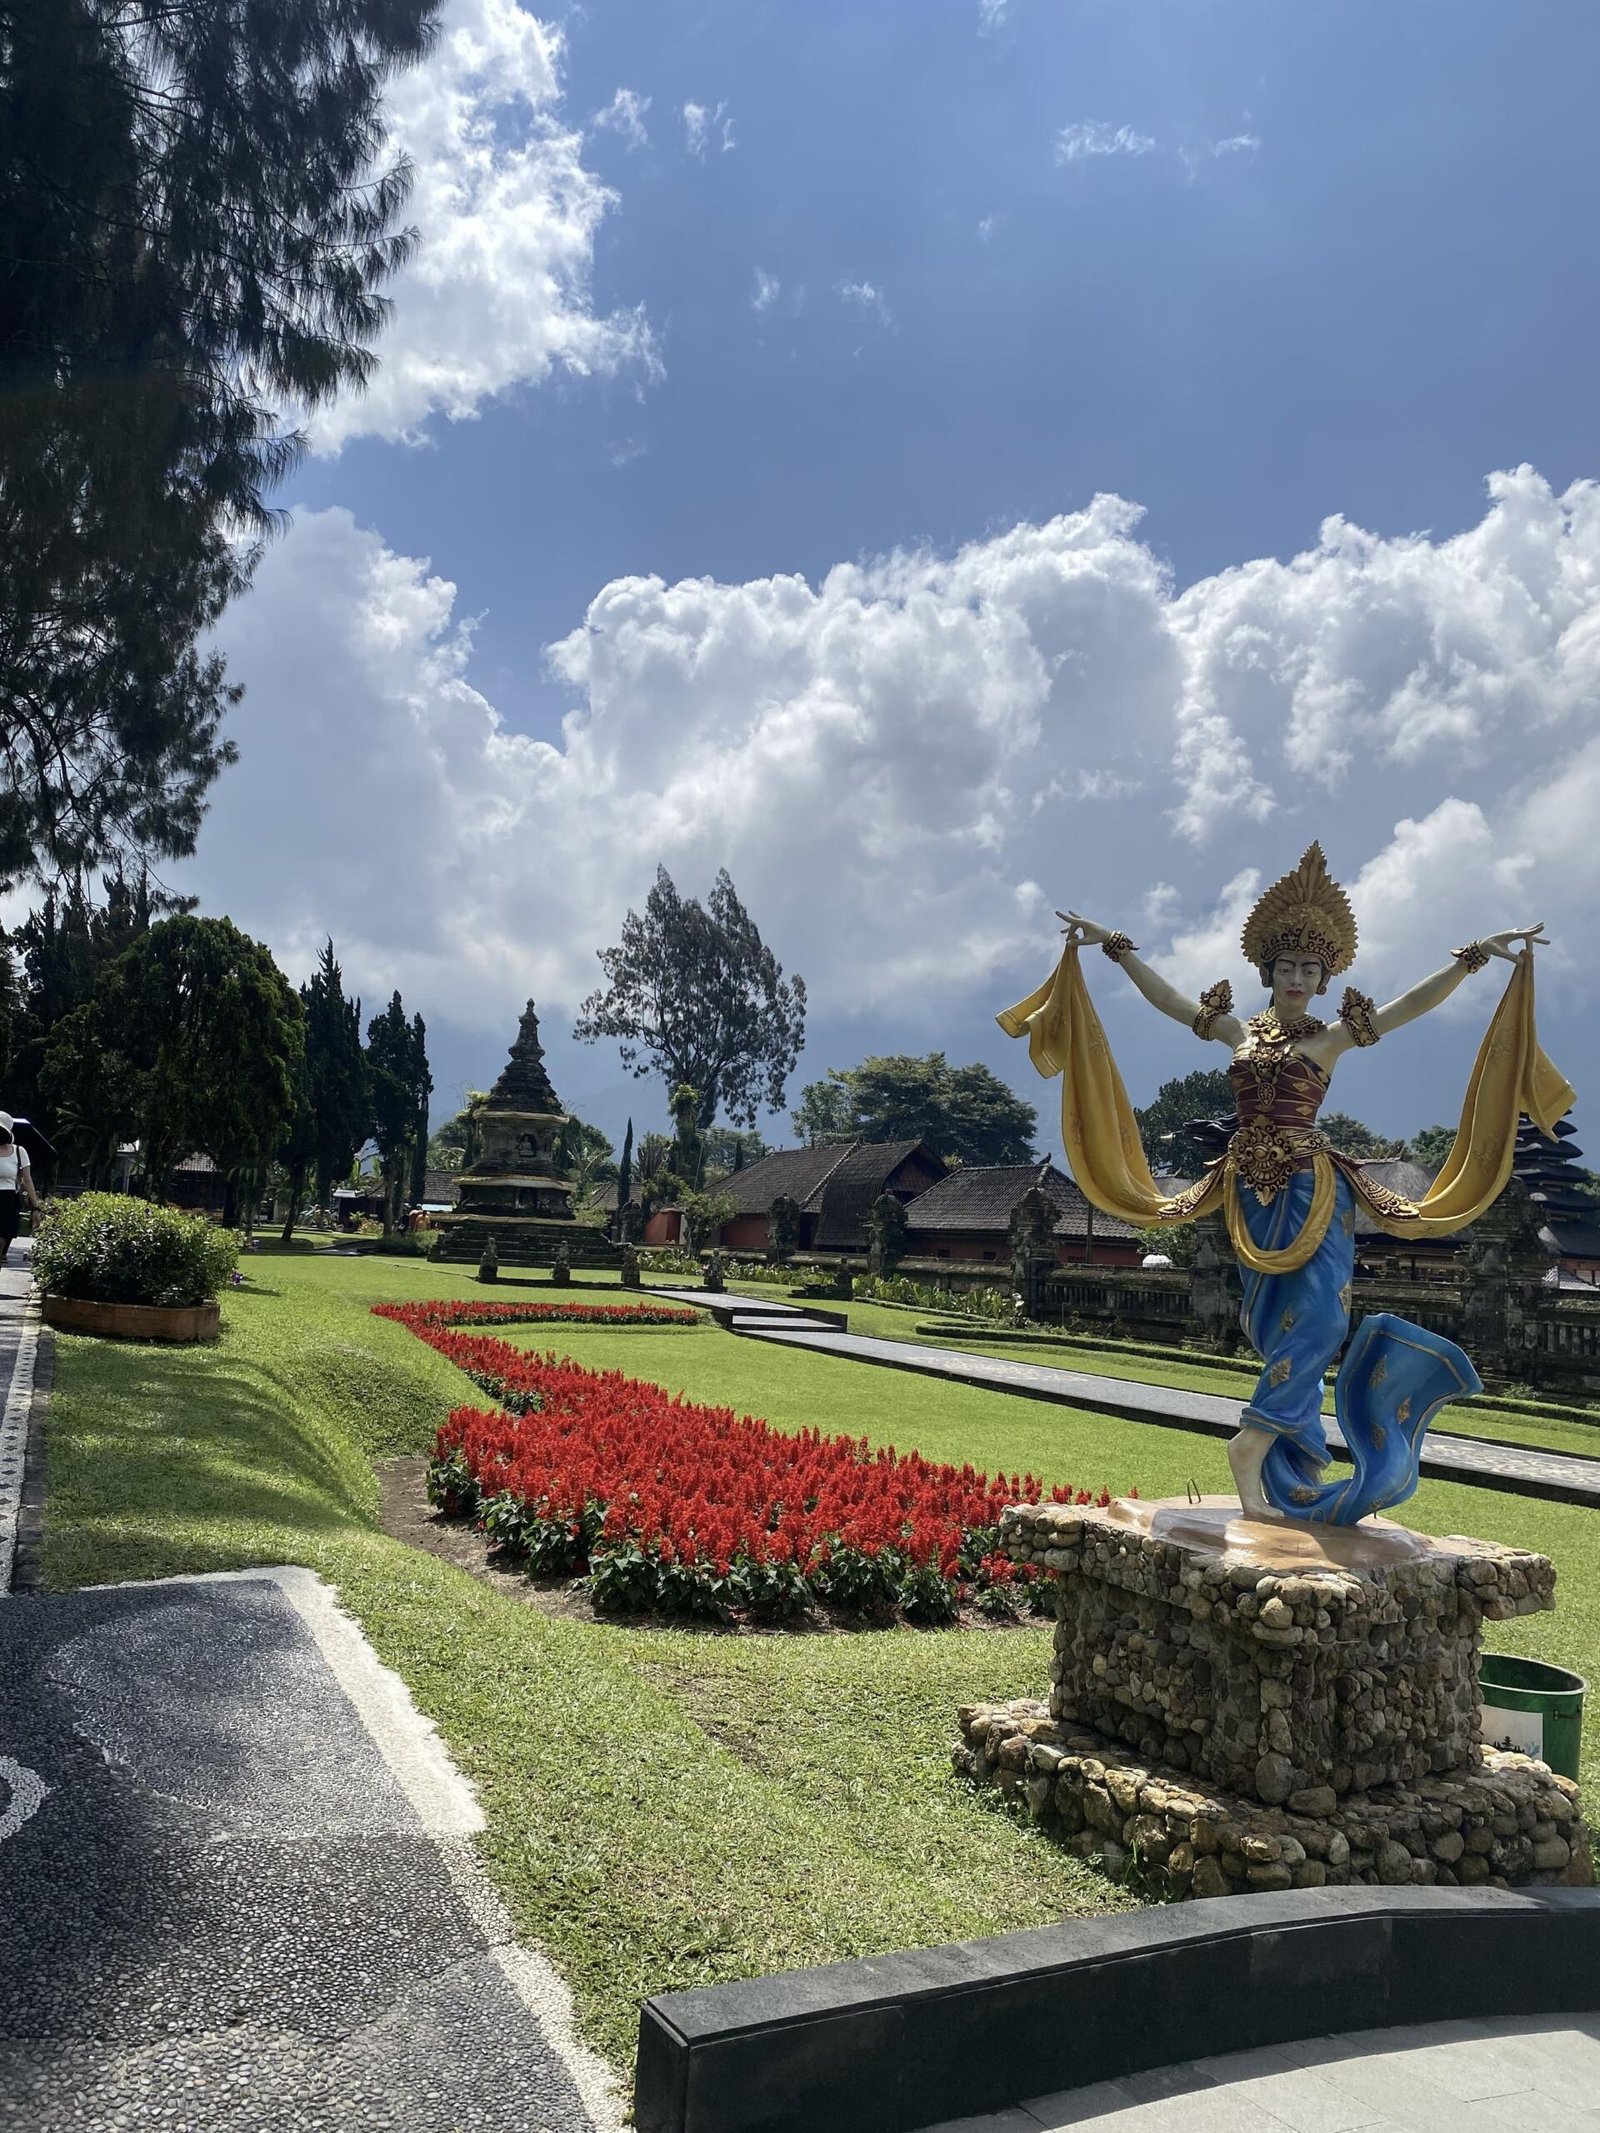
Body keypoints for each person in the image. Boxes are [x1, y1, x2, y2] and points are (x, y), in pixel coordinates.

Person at [999, 843, 1572, 1526]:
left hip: (1313, 1187)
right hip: (1249, 1191)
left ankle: (1255, 1447)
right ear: (1267, 969)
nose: (1298, 977)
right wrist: (1114, 947)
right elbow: (1168, 999)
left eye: (1311, 968)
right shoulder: (1237, 1029)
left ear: (1324, 979)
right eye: (1288, 966)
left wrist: (1473, 953)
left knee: (1325, 1317)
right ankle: (1265, 1454)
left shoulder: (1330, 1040)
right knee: (1279, 1325)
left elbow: (1410, 1004)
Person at [0, 1112, 43, 1269]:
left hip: (8, 1201)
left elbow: (27, 1180)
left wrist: (35, 1207)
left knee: (2, 1242)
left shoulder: (19, 1152)